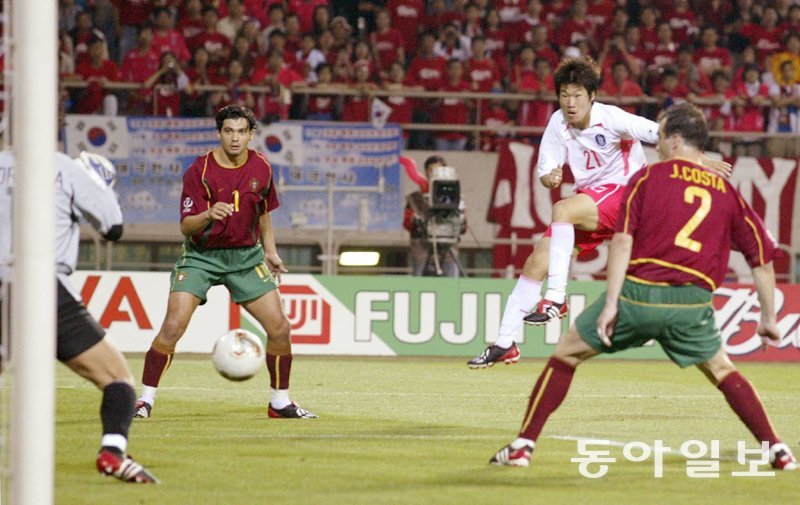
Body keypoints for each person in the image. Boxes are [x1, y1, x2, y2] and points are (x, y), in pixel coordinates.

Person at [488, 103, 797, 472]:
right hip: (691, 304)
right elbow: (761, 259)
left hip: (638, 294)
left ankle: (523, 446)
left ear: (676, 140)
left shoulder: (647, 179)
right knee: (723, 371)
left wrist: (611, 304)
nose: (657, 142)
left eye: (662, 134)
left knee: (566, 355)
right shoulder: (727, 193)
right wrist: (768, 318)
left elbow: (621, 243)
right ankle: (778, 450)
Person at [467, 57, 730, 368]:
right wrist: (549, 176)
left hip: (627, 194)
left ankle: (556, 298)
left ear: (592, 96)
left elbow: (661, 132)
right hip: (592, 203)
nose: (570, 102)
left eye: (578, 95)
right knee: (537, 260)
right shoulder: (557, 123)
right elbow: (546, 168)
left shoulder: (613, 118)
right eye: (564, 94)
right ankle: (504, 342)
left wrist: (697, 158)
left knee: (562, 209)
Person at [134, 105, 316, 420]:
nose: (235, 138)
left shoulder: (262, 167)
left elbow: (263, 213)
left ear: (251, 134)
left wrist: (270, 251)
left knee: (280, 328)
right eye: (228, 131)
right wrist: (207, 214)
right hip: (201, 256)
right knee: (174, 325)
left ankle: (280, 402)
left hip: (245, 258)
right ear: (219, 133)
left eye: (241, 131)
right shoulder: (199, 171)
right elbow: (186, 226)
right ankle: (144, 400)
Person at [0, 148, 158, 483]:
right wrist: (96, 186)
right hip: (43, 288)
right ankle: (113, 454)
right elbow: (114, 228)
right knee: (118, 380)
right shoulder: (67, 169)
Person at [403, 155, 466, 277]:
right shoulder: (417, 199)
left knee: (452, 278)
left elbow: (463, 227)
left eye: (439, 170)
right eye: (432, 171)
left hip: (449, 252)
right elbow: (407, 224)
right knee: (419, 282)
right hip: (422, 252)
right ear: (426, 173)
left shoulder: (454, 199)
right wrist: (417, 217)